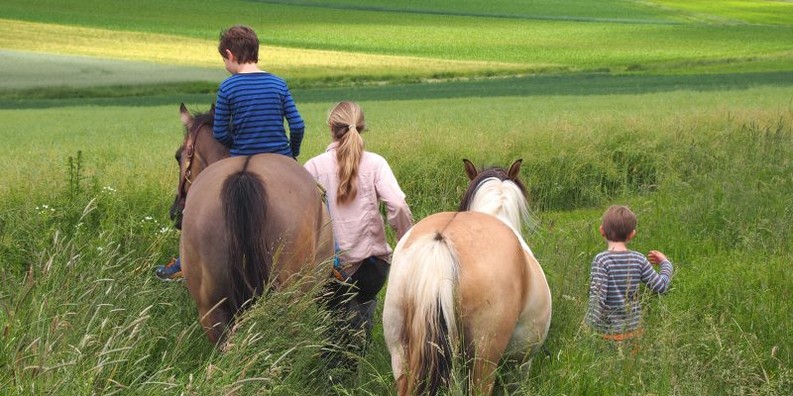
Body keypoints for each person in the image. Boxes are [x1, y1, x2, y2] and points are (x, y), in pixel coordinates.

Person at [154, 24, 305, 281]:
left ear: (230, 54)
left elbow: (221, 132)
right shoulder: (279, 83)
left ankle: (182, 263)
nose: (225, 65)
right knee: (317, 198)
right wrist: (291, 154)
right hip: (280, 156)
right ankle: (334, 257)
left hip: (241, 157)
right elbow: (298, 125)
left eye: (224, 60)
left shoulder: (228, 88)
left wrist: (237, 142)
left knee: (200, 207)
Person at [303, 101, 413, 373]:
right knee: (362, 320)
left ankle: (332, 378)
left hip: (328, 269)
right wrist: (406, 241)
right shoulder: (376, 163)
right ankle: (358, 370)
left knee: (331, 327)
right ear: (361, 127)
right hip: (371, 266)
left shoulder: (313, 168)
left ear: (331, 127)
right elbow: (398, 205)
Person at [585, 205, 674, 342]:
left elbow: (597, 299)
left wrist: (586, 327)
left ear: (602, 230)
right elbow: (661, 286)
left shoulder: (601, 261)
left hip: (608, 336)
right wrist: (665, 263)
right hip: (634, 335)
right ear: (632, 234)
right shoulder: (639, 259)